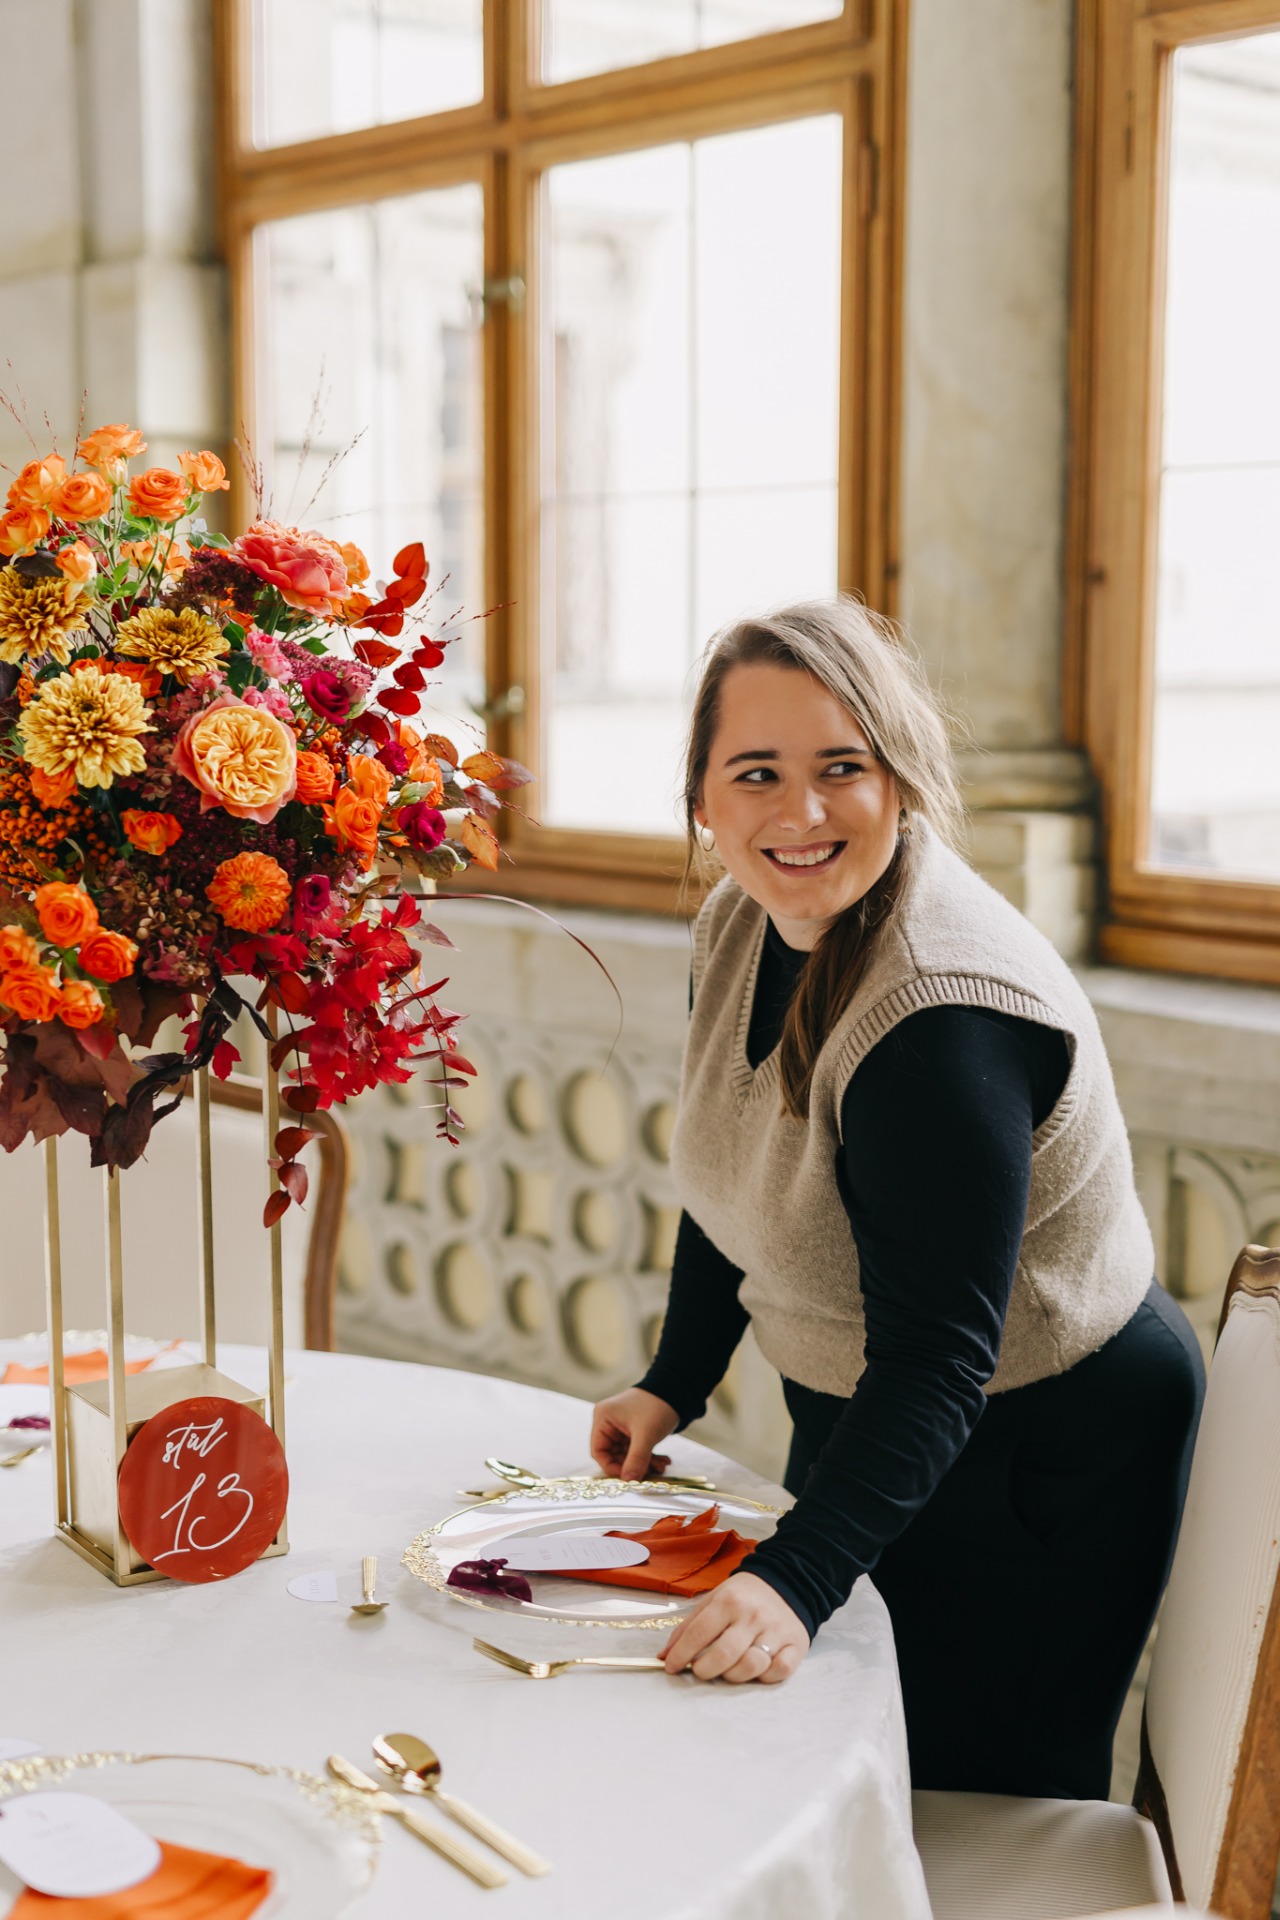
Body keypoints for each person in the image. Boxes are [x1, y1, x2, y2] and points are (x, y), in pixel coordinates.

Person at [589, 600, 1205, 1800]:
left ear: (901, 779)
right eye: (755, 773)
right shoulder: (741, 921)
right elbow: (730, 1169)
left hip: (1038, 1447)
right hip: (890, 1411)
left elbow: (935, 1360)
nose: (799, 813)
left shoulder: (937, 1016)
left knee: (957, 1801)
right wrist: (674, 1379)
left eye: (842, 769)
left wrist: (792, 1578)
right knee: (831, 1760)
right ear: (701, 798)